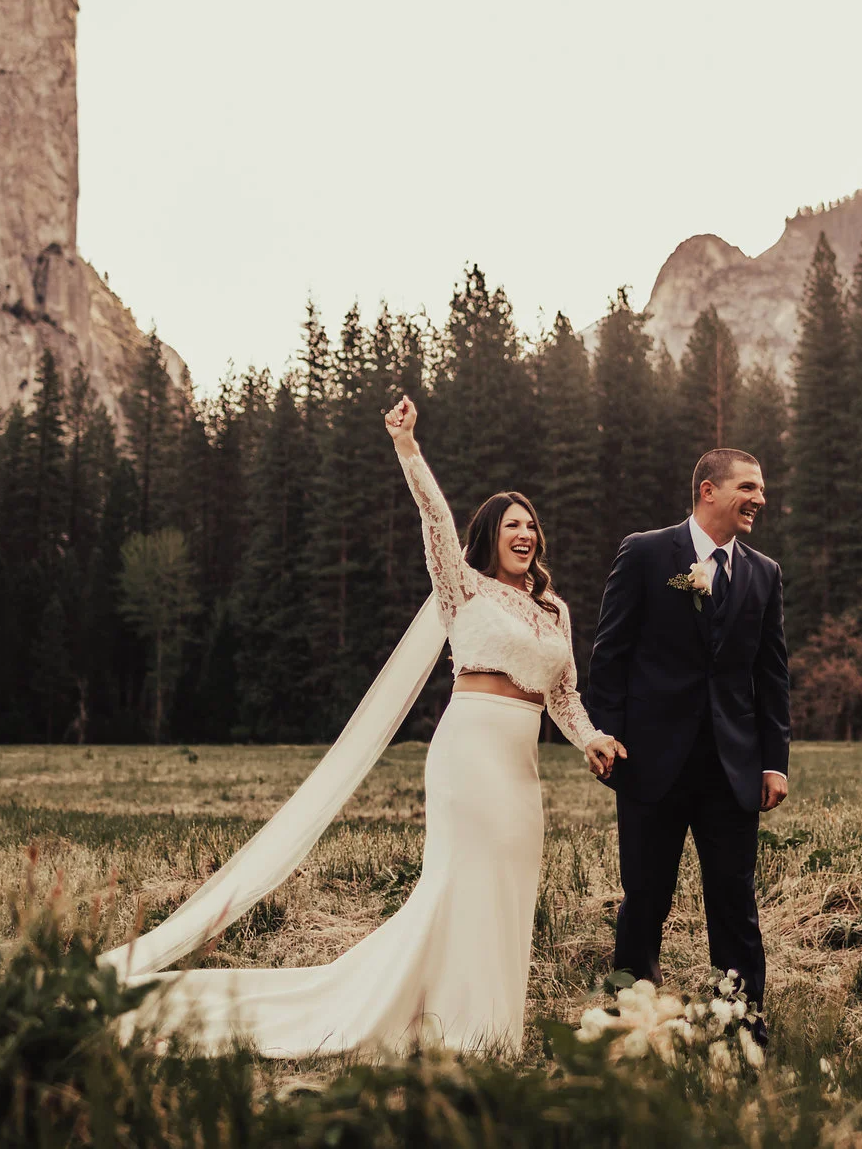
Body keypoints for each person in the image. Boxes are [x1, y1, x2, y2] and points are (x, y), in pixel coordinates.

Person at [103, 395, 622, 1057]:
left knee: (509, 885)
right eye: (513, 524)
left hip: (521, 769)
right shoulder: (459, 585)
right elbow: (435, 517)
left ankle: (491, 1027)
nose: (525, 534)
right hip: (469, 754)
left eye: (532, 526)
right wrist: (407, 445)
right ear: (490, 533)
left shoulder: (554, 610)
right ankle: (449, 1023)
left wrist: (592, 739)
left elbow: (565, 697)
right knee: (460, 879)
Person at [585, 448, 791, 1024]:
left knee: (735, 903)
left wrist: (774, 763)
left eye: (762, 488)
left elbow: (772, 676)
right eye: (748, 487)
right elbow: (611, 656)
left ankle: (741, 1027)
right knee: (645, 900)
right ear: (708, 490)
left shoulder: (764, 573)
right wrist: (609, 737)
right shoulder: (647, 553)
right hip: (652, 764)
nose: (760, 499)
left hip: (733, 770)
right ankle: (630, 1022)